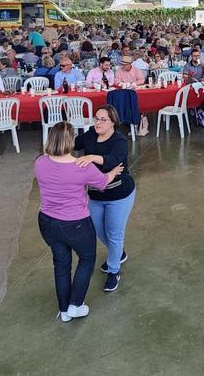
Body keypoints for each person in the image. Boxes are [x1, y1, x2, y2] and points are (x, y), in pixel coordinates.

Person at [34, 122, 124, 322]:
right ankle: (76, 304)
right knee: (86, 259)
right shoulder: (82, 167)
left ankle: (64, 310)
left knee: (61, 264)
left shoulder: (40, 162)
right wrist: (113, 172)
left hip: (47, 222)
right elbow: (102, 182)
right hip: (75, 224)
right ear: (71, 140)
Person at [74, 105, 135, 293]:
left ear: (113, 122)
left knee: (115, 233)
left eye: (103, 120)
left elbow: (112, 160)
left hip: (119, 194)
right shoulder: (91, 133)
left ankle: (113, 270)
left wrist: (92, 157)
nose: (98, 123)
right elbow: (75, 144)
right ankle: (119, 254)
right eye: (96, 118)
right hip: (95, 194)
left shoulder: (120, 141)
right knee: (98, 230)